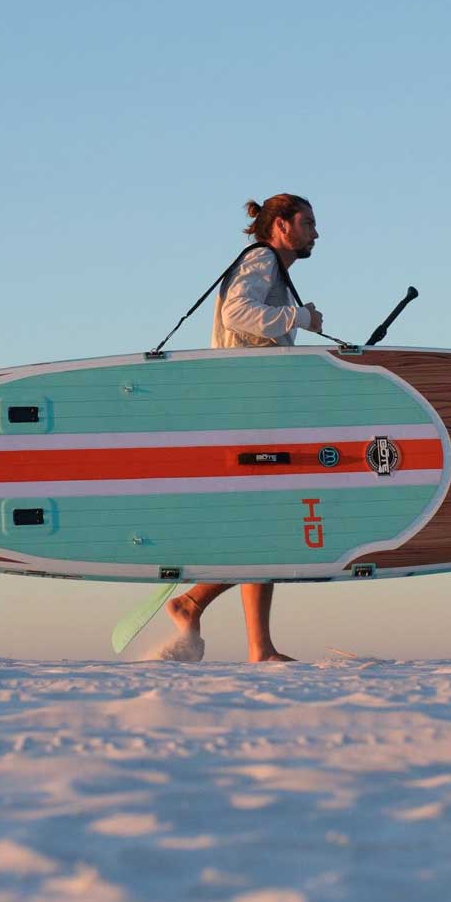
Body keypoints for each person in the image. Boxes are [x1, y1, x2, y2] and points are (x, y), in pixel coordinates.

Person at [160, 193, 323, 663]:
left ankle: (257, 645)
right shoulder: (261, 258)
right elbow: (238, 313)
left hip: (254, 406)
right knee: (270, 523)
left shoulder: (273, 266)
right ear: (281, 225)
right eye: (308, 221)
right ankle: (192, 603)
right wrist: (302, 317)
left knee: (265, 519)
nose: (317, 231)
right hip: (244, 407)